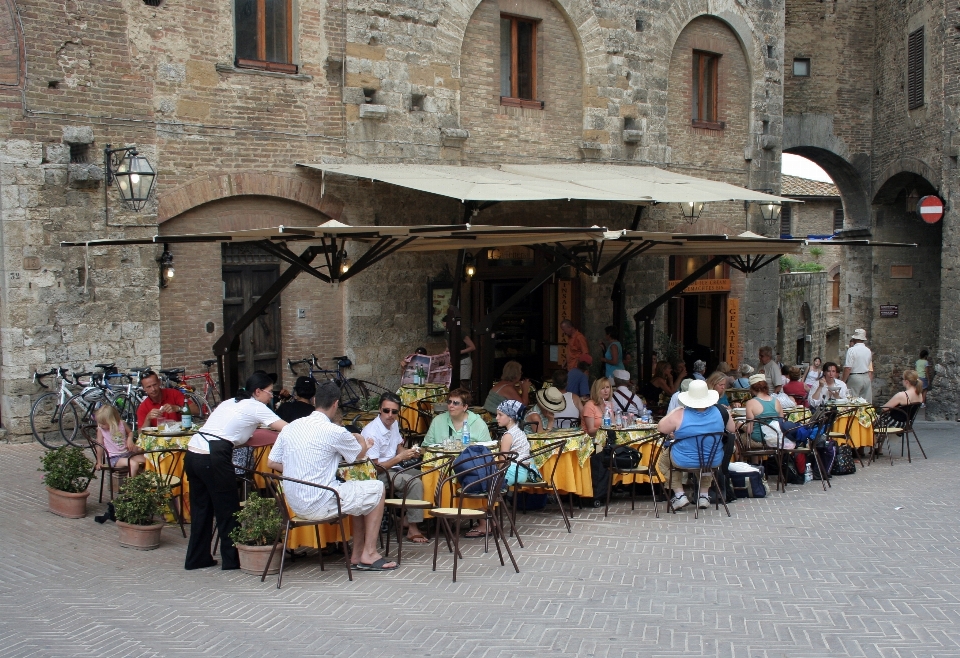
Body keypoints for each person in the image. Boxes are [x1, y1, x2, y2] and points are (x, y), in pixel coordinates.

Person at [267, 381, 397, 571]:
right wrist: (360, 438)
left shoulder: (290, 428)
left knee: (359, 491)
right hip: (320, 501)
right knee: (376, 487)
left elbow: (271, 462)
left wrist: (300, 471)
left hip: (293, 503)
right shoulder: (334, 431)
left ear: (314, 400)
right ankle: (369, 553)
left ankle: (357, 554)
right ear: (336, 404)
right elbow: (358, 455)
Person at [183, 371, 287, 571]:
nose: (271, 396)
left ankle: (196, 558)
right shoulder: (256, 406)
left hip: (194, 451)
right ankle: (232, 561)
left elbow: (233, 433)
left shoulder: (230, 402)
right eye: (269, 392)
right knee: (228, 509)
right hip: (214, 455)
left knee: (201, 509)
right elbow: (286, 428)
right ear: (257, 391)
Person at [656, 379, 734, 510]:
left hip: (684, 460)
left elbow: (661, 428)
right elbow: (732, 430)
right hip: (713, 460)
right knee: (706, 462)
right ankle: (703, 496)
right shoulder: (722, 412)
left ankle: (680, 495)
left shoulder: (679, 414)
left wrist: (672, 412)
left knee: (664, 461)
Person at [361, 392, 427, 544]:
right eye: (386, 410)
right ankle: (413, 528)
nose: (390, 415)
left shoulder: (394, 424)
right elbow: (374, 468)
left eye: (394, 412)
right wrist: (400, 458)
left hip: (395, 468)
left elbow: (399, 448)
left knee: (427, 475)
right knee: (413, 482)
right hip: (378, 474)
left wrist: (411, 453)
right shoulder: (372, 432)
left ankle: (409, 519)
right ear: (379, 409)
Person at [423, 388, 492, 446]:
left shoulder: (478, 423)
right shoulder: (438, 420)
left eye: (455, 403)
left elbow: (487, 450)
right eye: (449, 402)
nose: (451, 405)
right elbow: (426, 446)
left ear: (465, 407)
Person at [93, 404, 144, 476]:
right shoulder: (101, 430)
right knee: (134, 464)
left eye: (103, 423)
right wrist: (99, 462)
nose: (100, 425)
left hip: (127, 454)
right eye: (99, 423)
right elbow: (100, 446)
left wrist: (129, 439)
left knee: (148, 460)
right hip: (114, 458)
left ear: (112, 421)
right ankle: (129, 486)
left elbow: (130, 432)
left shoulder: (122, 424)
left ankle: (142, 481)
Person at [743, 373, 783, 447]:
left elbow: (749, 430)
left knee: (739, 437)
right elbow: (782, 422)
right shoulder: (776, 401)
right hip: (775, 438)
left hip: (759, 439)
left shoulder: (750, 403)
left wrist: (741, 426)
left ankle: (743, 458)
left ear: (752, 388)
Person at [842, 328, 873, 402]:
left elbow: (848, 368)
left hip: (855, 376)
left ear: (855, 339)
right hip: (866, 377)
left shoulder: (851, 350)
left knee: (852, 401)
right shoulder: (868, 350)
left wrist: (843, 381)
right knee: (866, 402)